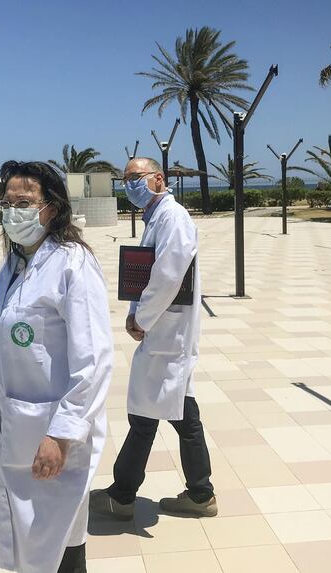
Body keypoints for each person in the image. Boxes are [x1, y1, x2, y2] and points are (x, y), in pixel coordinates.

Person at [0, 160, 112, 573]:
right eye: (7, 202)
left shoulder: (72, 263)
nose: (12, 211)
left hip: (52, 439)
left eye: (24, 202)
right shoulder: (13, 265)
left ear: (50, 209)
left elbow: (94, 361)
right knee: (35, 544)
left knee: (59, 543)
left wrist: (62, 434)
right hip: (13, 433)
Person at [90, 157, 217, 520]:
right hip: (166, 334)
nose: (130, 185)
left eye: (136, 178)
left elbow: (168, 275)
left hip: (166, 332)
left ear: (158, 179)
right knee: (178, 412)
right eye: (125, 180)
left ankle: (123, 495)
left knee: (148, 414)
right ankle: (199, 492)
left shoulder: (173, 218)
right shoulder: (159, 216)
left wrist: (141, 318)